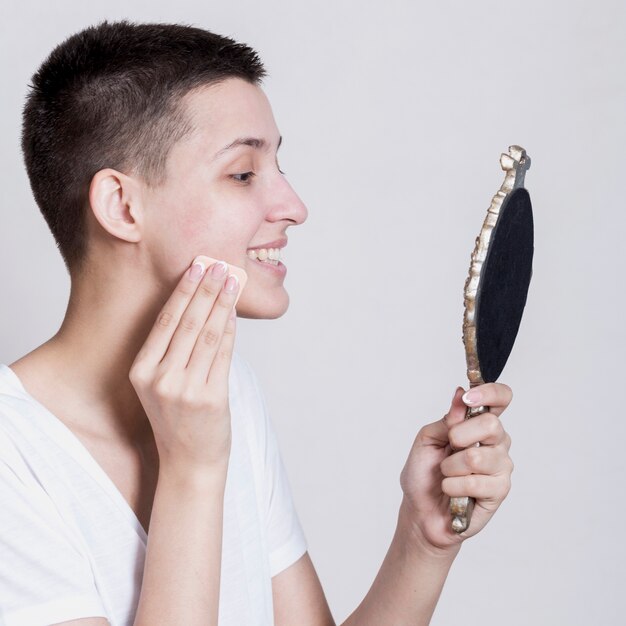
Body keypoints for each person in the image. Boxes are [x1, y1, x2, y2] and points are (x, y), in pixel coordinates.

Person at [0, 19, 514, 626]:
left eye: (278, 167)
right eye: (243, 174)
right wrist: (192, 470)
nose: (293, 206)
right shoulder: (15, 460)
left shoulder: (224, 394)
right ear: (121, 205)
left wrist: (423, 543)